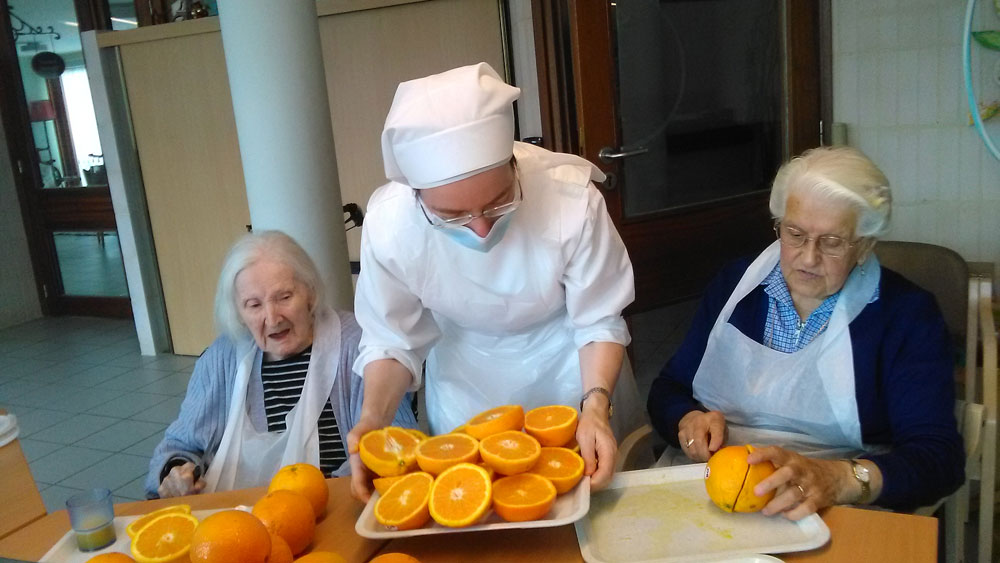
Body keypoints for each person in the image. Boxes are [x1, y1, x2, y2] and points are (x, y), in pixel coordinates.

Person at [348, 62, 644, 500]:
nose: (481, 229)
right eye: (452, 217)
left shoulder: (569, 199)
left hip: (574, 368)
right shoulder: (391, 227)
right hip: (466, 383)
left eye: (499, 202)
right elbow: (393, 341)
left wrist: (596, 404)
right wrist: (372, 421)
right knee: (479, 505)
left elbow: (598, 320)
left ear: (514, 165)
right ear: (417, 196)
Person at [647, 146, 964, 516]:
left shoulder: (906, 314)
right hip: (718, 482)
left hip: (833, 501)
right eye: (795, 233)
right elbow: (668, 388)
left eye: (831, 242)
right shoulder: (736, 287)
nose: (808, 257)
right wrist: (687, 419)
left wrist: (842, 480)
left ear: (864, 246)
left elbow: (938, 457)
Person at [146, 231, 417, 498]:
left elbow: (395, 442)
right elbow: (179, 445)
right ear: (238, 312)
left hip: (339, 507)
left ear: (310, 292)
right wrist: (176, 473)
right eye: (254, 305)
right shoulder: (222, 358)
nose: (272, 318)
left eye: (284, 297)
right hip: (238, 520)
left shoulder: (359, 346)